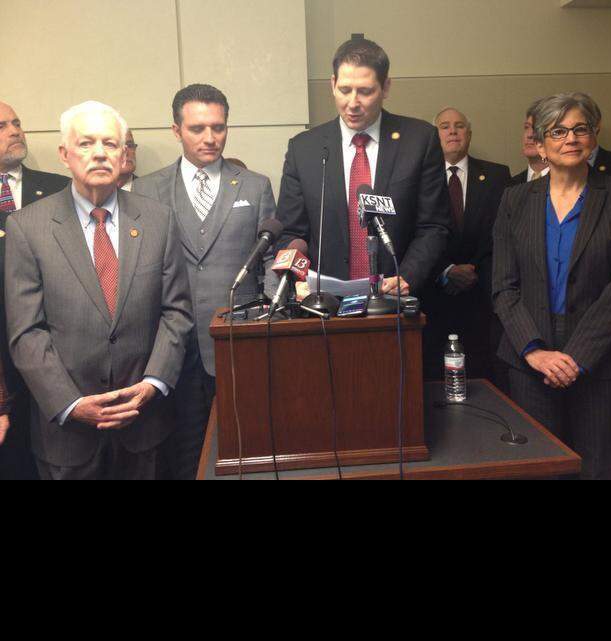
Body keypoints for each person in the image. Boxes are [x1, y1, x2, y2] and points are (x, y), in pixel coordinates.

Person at [4, 101, 193, 480]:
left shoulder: (158, 220)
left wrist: (153, 383)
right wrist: (71, 403)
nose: (100, 154)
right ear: (65, 154)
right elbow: (26, 331)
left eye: (111, 144)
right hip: (66, 435)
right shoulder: (28, 227)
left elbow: (176, 313)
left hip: (144, 426)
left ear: (125, 155)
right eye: (87, 143)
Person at [133, 84, 278, 480]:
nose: (210, 138)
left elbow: (269, 259)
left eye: (219, 127)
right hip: (171, 344)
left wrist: (263, 317)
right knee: (184, 451)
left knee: (245, 448)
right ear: (176, 130)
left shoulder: (254, 185)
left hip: (237, 340)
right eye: (198, 128)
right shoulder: (146, 189)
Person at [492, 93, 611, 480]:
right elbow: (504, 288)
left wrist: (576, 357)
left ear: (594, 136)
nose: (570, 139)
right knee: (540, 471)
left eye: (580, 129)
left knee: (602, 469)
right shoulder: (514, 200)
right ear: (540, 143)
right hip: (530, 361)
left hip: (605, 358)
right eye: (558, 131)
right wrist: (535, 352)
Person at [277, 37, 449, 296]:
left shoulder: (419, 141)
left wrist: (408, 275)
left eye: (365, 91)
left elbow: (434, 226)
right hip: (324, 304)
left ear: (386, 87)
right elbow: (290, 232)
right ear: (332, 84)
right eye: (345, 90)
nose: (353, 103)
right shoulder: (304, 149)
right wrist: (297, 278)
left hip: (396, 302)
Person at [1, 100, 71, 480]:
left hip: (56, 351)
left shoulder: (59, 189)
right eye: (1, 126)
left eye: (17, 122)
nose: (14, 131)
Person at [419, 107, 509, 383]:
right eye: (445, 126)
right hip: (434, 296)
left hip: (482, 297)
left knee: (484, 378)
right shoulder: (419, 178)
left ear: (469, 134)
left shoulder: (497, 176)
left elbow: (503, 234)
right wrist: (445, 271)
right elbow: (414, 234)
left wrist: (476, 272)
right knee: (435, 377)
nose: (453, 131)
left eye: (459, 126)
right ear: (435, 136)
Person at [508, 100, 549, 186]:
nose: (530, 135)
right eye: (527, 127)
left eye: (537, 129)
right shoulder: (511, 185)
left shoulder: (571, 183)